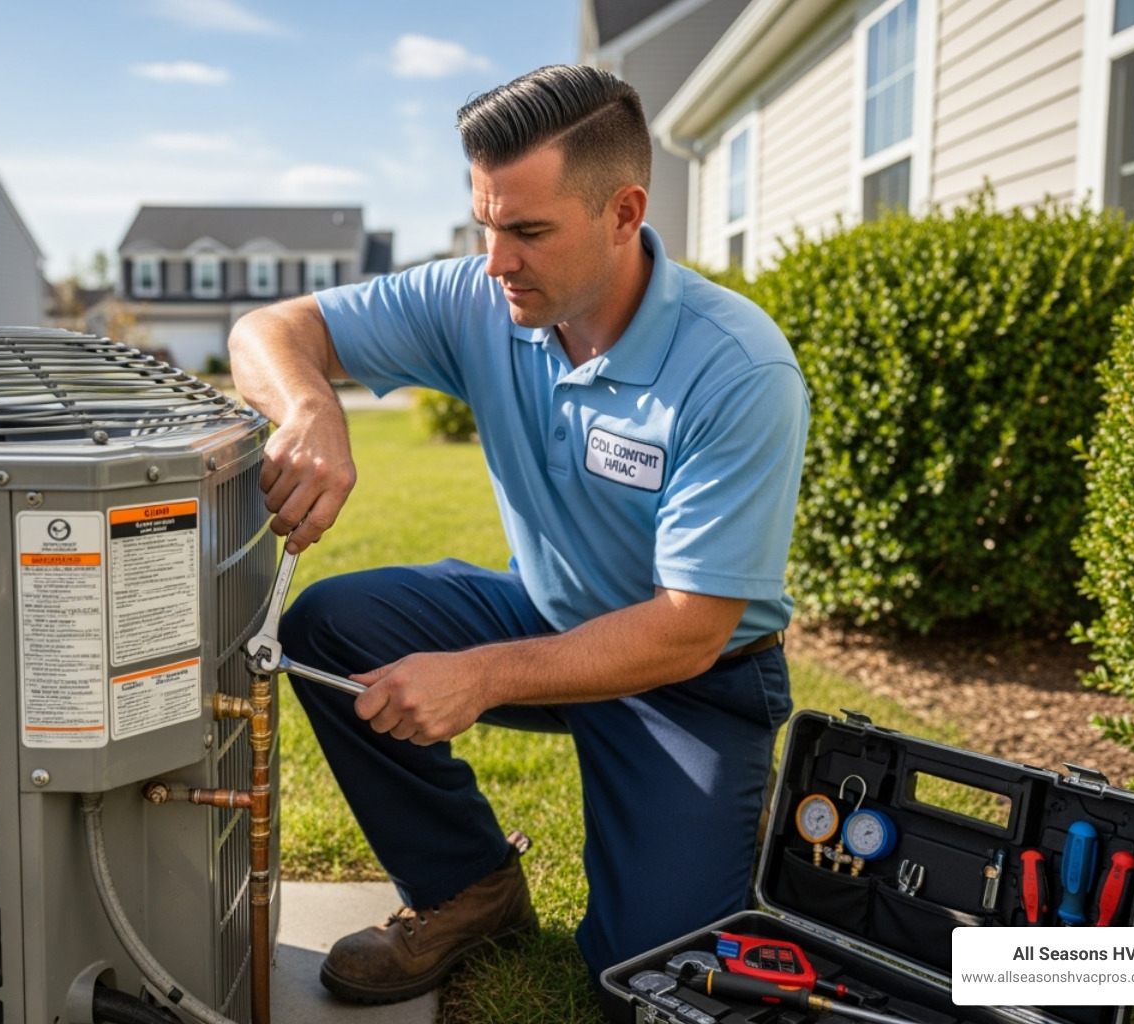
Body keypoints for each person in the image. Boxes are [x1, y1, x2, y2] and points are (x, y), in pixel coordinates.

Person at [226, 64, 808, 1021]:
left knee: (645, 985)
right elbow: (269, 327)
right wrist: (308, 402)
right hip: (543, 609)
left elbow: (689, 632)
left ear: (624, 213)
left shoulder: (737, 370)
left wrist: (485, 677)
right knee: (331, 623)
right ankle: (470, 890)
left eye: (529, 231)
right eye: (484, 226)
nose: (496, 261)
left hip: (689, 681)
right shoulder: (479, 299)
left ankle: (722, 830)